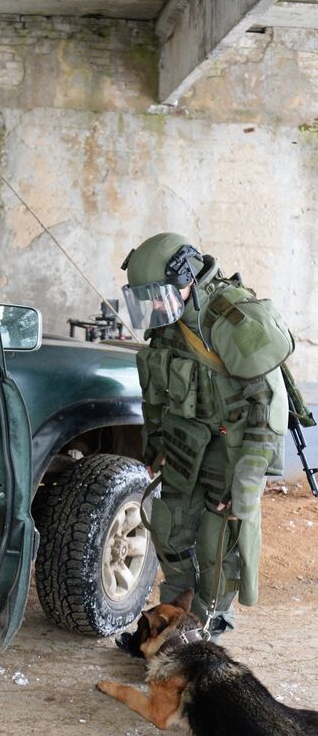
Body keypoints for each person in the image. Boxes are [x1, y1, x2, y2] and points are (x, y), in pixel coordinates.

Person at [121, 233, 293, 638]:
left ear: (188, 276)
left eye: (160, 294)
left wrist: (247, 480)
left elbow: (269, 410)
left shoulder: (233, 320)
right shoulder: (170, 317)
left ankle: (203, 634)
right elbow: (159, 388)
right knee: (171, 532)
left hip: (230, 450)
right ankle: (166, 629)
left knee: (218, 548)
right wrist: (155, 443)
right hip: (184, 445)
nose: (155, 306)